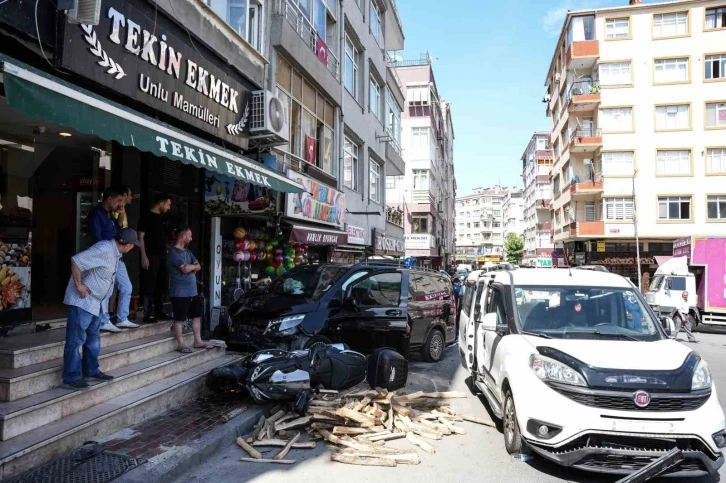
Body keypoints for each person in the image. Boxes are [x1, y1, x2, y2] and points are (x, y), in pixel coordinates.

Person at [62, 228, 141, 390]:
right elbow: (76, 261)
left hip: (96, 302)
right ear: (127, 245)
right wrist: (79, 285)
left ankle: (91, 370)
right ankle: (71, 376)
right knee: (76, 339)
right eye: (133, 245)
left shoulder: (115, 253)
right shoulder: (104, 249)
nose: (132, 248)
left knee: (93, 339)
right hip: (83, 301)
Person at [87, 188, 139, 332]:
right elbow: (96, 238)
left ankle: (122, 318)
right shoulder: (96, 214)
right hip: (105, 255)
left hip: (117, 254)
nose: (119, 204)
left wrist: (121, 214)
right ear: (109, 199)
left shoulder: (110, 215)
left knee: (127, 287)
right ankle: (103, 320)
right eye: (118, 201)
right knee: (107, 290)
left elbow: (119, 230)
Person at [167, 226, 213, 352]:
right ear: (183, 237)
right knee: (179, 318)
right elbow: (185, 269)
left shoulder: (188, 252)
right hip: (179, 292)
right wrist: (192, 267)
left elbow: (198, 266)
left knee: (196, 316)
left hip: (193, 291)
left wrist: (191, 267)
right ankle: (181, 344)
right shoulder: (173, 253)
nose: (191, 238)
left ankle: (198, 341)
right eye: (190, 236)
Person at [138, 193, 172, 322]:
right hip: (150, 254)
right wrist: (143, 256)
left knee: (161, 283)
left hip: (162, 254)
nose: (169, 208)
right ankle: (148, 313)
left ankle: (159, 311)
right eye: (168, 204)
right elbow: (140, 237)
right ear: (161, 203)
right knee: (149, 283)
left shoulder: (162, 219)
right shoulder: (146, 216)